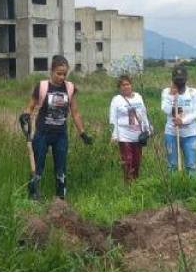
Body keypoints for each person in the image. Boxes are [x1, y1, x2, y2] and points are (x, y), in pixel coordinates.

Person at [19, 55, 92, 199]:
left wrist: (82, 133)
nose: (62, 77)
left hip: (60, 135)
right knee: (38, 166)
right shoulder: (42, 86)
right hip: (42, 134)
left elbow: (75, 113)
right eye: (59, 73)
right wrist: (25, 115)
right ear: (51, 71)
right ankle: (33, 195)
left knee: (61, 168)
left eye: (64, 74)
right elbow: (31, 107)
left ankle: (60, 198)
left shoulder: (70, 88)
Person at [108, 75, 153, 182]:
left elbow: (143, 114)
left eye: (127, 84)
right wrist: (114, 135)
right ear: (119, 87)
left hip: (138, 135)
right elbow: (112, 118)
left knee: (137, 161)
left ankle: (136, 182)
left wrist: (148, 128)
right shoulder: (116, 100)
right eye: (123, 85)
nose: (126, 87)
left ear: (131, 85)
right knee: (128, 161)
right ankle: (128, 184)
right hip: (124, 136)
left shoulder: (138, 97)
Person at [161, 64, 196, 175]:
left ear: (186, 78)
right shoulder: (166, 92)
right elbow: (165, 109)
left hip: (190, 134)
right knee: (172, 164)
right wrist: (173, 96)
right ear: (172, 79)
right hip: (171, 133)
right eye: (177, 79)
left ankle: (191, 188)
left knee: (191, 165)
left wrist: (182, 121)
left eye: (182, 79)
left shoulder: (193, 92)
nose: (179, 82)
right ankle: (173, 188)